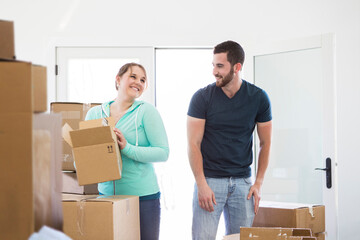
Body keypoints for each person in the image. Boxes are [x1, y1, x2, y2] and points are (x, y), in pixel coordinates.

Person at [187, 40, 272, 239]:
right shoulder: (202, 98)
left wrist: (258, 183)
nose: (214, 71)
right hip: (209, 182)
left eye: (220, 66)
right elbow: (193, 143)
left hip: (243, 183)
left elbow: (266, 143)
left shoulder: (259, 98)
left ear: (237, 67)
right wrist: (201, 184)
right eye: (213, 65)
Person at [85, 63, 169, 240]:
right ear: (118, 79)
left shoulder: (146, 111)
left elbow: (163, 152)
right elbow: (83, 158)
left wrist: (127, 148)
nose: (138, 82)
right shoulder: (94, 114)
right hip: (107, 198)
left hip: (143, 199)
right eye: (133, 76)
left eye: (143, 80)